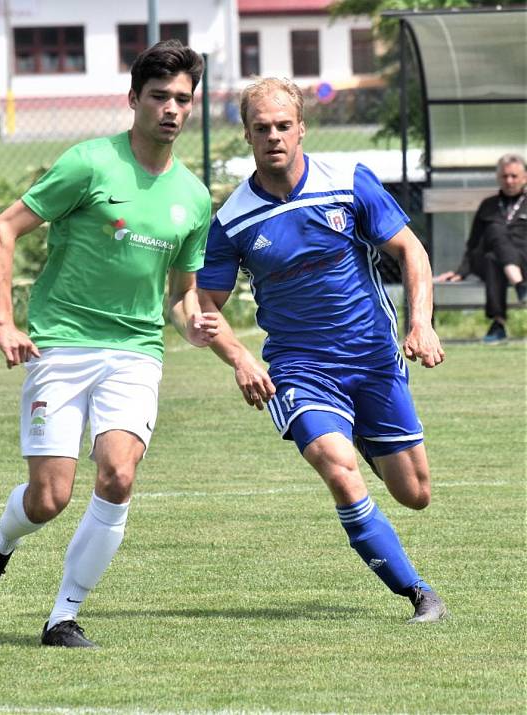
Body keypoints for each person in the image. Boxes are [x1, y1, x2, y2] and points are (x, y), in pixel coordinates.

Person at [0, 40, 218, 648]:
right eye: (159, 97)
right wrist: (4, 324)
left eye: (183, 99)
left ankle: (63, 616)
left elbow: (180, 297)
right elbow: (2, 230)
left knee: (118, 477)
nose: (172, 110)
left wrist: (193, 324)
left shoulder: (195, 198)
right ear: (134, 99)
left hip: (134, 352)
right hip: (63, 346)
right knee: (49, 498)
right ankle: (1, 541)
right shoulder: (89, 164)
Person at [197, 77, 448, 624]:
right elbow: (205, 304)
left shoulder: (347, 182)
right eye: (261, 128)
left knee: (415, 493)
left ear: (301, 127)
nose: (273, 137)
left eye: (283, 125)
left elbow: (410, 249)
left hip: (373, 358)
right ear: (246, 135)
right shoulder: (233, 219)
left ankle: (356, 431)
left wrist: (421, 323)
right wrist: (241, 358)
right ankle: (419, 594)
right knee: (339, 472)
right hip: (299, 369)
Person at [436, 153, 527, 342]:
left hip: (524, 258)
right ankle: (520, 286)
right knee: (493, 236)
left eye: (514, 176)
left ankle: (498, 324)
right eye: (504, 176)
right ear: (498, 177)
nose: (509, 181)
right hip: (487, 264)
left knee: (493, 256)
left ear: (524, 177)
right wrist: (461, 271)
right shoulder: (488, 205)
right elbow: (474, 242)